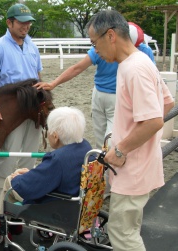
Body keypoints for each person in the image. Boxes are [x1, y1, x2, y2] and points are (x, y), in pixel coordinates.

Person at [34, 22, 155, 198]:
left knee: (110, 141)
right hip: (99, 95)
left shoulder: (142, 53)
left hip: (119, 99)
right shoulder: (102, 48)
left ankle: (110, 184)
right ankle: (102, 182)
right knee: (101, 142)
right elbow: (78, 67)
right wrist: (54, 83)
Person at [86, 10, 174, 251]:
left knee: (121, 233)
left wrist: (122, 149)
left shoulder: (133, 68)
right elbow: (167, 102)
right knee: (128, 228)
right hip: (140, 163)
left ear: (110, 35)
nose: (95, 51)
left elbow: (154, 121)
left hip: (133, 168)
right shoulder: (141, 61)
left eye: (95, 43)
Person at [0, 3, 43, 202]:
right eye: (21, 23)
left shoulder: (32, 44)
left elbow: (38, 75)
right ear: (9, 22)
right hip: (12, 110)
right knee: (8, 154)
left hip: (32, 108)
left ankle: (23, 191)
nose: (25, 27)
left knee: (31, 153)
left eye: (28, 24)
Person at [0, 106, 92, 215]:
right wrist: (31, 173)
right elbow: (54, 175)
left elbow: (30, 187)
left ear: (55, 137)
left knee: (10, 181)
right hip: (78, 202)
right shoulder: (86, 148)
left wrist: (17, 178)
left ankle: (1, 222)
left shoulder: (57, 159)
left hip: (55, 206)